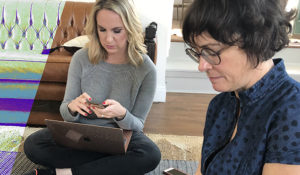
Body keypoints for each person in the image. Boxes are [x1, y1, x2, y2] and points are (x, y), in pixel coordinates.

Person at [23, 0, 161, 174]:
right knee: (34, 144)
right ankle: (109, 167)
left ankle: (62, 173)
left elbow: (137, 124)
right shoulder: (81, 58)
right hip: (79, 134)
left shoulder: (146, 69)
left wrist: (122, 114)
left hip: (120, 136)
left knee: (150, 155)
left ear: (130, 28)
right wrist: (72, 109)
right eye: (102, 29)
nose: (108, 39)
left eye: (117, 31)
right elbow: (66, 111)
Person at [182, 0, 300, 174]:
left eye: (212, 52)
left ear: (257, 41)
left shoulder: (292, 111)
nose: (202, 66)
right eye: (198, 52)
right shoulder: (220, 104)